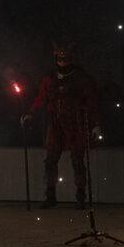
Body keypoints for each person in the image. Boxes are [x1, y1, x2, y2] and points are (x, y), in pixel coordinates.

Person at [20, 44, 100, 209]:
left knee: (78, 161)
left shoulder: (81, 79)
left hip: (76, 123)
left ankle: (80, 197)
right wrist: (30, 113)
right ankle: (50, 196)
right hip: (55, 123)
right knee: (50, 160)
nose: (63, 62)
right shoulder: (49, 79)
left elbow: (92, 103)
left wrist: (96, 124)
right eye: (60, 59)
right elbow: (40, 98)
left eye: (66, 59)